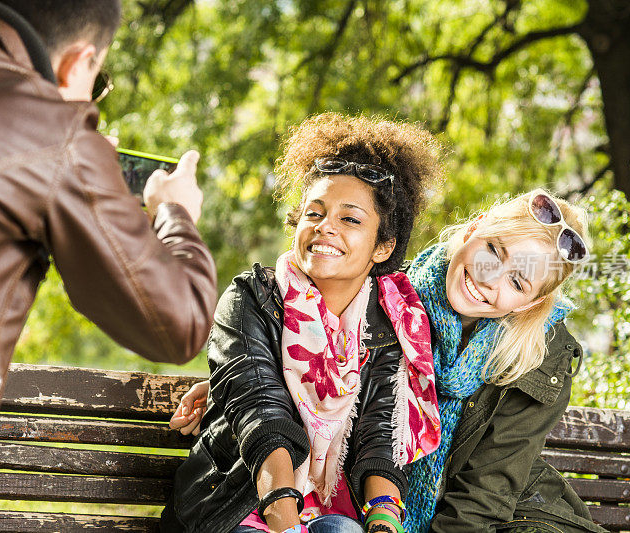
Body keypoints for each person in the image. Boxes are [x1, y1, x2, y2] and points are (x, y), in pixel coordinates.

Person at [0, 1, 217, 530]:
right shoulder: (51, 131)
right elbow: (177, 324)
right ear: (79, 62)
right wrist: (174, 211)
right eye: (98, 77)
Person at [172, 191, 606, 532]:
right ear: (473, 230)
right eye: (493, 250)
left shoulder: (540, 358)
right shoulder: (389, 294)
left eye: (517, 280)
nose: (489, 278)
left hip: (511, 521)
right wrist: (220, 385)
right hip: (359, 504)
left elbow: (483, 499)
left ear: (532, 302)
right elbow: (311, 348)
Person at [161, 113, 444, 533]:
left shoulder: (391, 323)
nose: (325, 227)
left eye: (350, 219)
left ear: (382, 247)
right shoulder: (252, 299)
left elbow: (378, 437)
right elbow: (262, 415)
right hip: (238, 507)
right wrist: (285, 522)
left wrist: (385, 522)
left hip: (332, 513)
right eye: (314, 213)